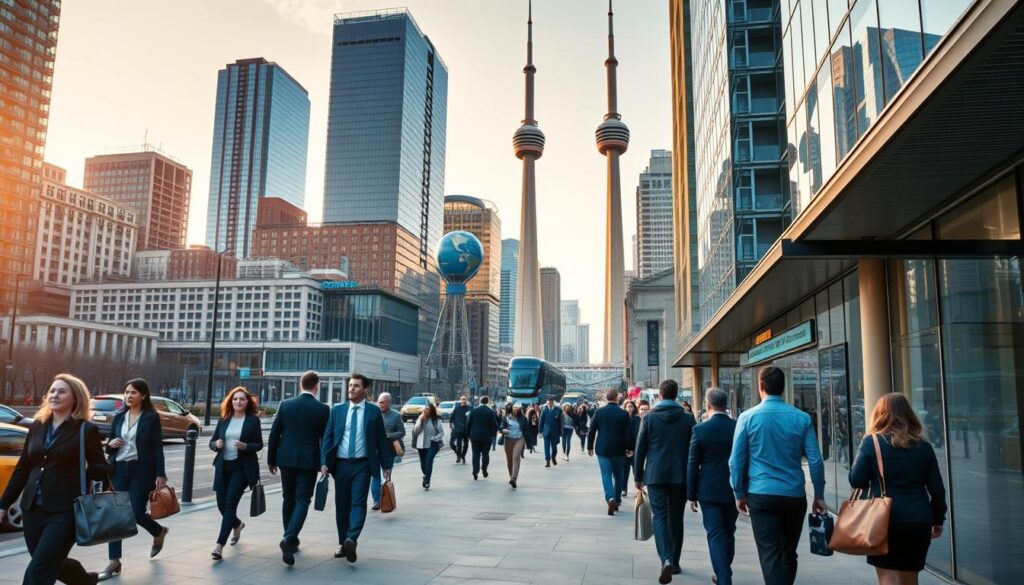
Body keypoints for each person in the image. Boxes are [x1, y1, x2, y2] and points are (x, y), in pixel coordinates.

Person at [0, 374, 108, 585]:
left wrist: (92, 468)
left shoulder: (86, 430)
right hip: (32, 510)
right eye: (52, 390)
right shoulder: (37, 426)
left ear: (75, 398)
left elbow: (102, 469)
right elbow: (23, 468)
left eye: (62, 391)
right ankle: (85, 581)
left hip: (64, 511)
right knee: (50, 561)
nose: (55, 395)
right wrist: (3, 504)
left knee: (39, 569)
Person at [729, 366, 826, 585]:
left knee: (769, 553)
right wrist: (818, 494)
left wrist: (739, 492)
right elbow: (816, 460)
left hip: (761, 493)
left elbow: (736, 461)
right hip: (793, 495)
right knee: (789, 552)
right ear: (783, 388)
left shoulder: (747, 418)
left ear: (760, 386)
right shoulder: (802, 418)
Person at [849, 393, 947, 585]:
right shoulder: (924, 447)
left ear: (879, 415)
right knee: (911, 577)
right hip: (918, 520)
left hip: (883, 520)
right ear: (909, 415)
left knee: (888, 578)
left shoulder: (872, 443)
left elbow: (856, 480)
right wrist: (937, 519)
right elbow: (937, 490)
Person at [97, 378, 170, 580]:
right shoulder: (119, 416)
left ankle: (158, 531)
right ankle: (114, 561)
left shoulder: (151, 418)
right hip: (119, 469)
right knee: (116, 516)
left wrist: (161, 474)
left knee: (137, 513)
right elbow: (109, 447)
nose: (129, 396)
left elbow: (157, 447)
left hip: (142, 471)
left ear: (143, 395)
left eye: (134, 393)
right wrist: (111, 444)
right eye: (127, 392)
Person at [320, 374, 394, 563]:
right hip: (341, 465)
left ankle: (351, 538)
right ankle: (342, 544)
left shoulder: (373, 412)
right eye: (350, 385)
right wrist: (324, 462)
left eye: (356, 386)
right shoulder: (337, 411)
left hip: (363, 464)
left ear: (365, 389)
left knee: (358, 503)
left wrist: (387, 465)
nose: (351, 389)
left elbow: (381, 440)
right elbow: (328, 438)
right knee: (342, 505)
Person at [634, 380, 696, 584]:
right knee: (676, 519)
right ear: (676, 395)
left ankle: (666, 558)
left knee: (659, 516)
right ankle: (676, 563)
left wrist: (637, 476)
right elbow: (694, 450)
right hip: (680, 476)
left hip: (655, 475)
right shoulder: (687, 419)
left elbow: (640, 448)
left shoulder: (649, 417)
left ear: (660, 395)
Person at [267, 371, 329, 566]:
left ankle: (291, 540)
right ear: (316, 387)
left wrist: (271, 459)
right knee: (303, 499)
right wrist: (324, 462)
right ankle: (289, 537)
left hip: (286, 458)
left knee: (288, 498)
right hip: (309, 460)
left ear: (301, 385)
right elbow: (325, 439)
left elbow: (274, 434)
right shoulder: (322, 409)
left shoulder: (285, 405)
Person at [687, 388, 738, 585]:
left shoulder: (700, 430)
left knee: (715, 534)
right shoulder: (738, 426)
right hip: (733, 489)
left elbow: (693, 464)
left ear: (708, 406)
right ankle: (724, 571)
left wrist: (691, 494)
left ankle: (724, 577)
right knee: (729, 531)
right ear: (726, 406)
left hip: (708, 490)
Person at [209, 387, 264, 560]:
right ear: (230, 402)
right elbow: (213, 441)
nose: (238, 402)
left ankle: (219, 545)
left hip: (242, 468)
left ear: (247, 402)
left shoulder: (253, 421)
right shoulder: (224, 419)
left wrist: (246, 446)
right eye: (235, 399)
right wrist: (215, 444)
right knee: (221, 506)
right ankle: (237, 524)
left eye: (241, 399)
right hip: (223, 467)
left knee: (230, 503)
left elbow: (259, 444)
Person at [587, 389, 631, 515]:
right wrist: (630, 448)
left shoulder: (599, 412)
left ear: (607, 398)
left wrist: (589, 446)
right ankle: (617, 499)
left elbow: (592, 430)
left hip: (603, 448)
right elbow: (628, 433)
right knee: (618, 475)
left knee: (606, 474)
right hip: (619, 449)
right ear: (617, 398)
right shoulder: (623, 413)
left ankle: (610, 498)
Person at [371, 392, 405, 509]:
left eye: (382, 403)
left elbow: (402, 432)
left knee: (387, 475)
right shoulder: (374, 414)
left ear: (389, 403)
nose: (379, 405)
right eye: (378, 402)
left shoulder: (396, 416)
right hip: (375, 450)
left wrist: (388, 435)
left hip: (389, 451)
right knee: (375, 476)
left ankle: (387, 498)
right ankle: (376, 501)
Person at [411, 402, 444, 490]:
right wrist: (420, 422)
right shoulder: (420, 418)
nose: (425, 410)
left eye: (427, 409)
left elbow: (441, 433)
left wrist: (434, 438)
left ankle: (427, 481)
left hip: (432, 444)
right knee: (423, 464)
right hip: (421, 444)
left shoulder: (436, 420)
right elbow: (415, 432)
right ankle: (426, 475)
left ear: (431, 411)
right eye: (424, 409)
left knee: (429, 461)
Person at [466, 396, 499, 480]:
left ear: (480, 401)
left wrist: (469, 435)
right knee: (485, 454)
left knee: (475, 454)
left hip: (475, 436)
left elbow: (469, 424)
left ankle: (475, 472)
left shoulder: (473, 411)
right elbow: (495, 425)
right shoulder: (491, 412)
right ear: (488, 402)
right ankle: (484, 468)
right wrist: (493, 435)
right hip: (486, 437)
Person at [500, 403, 528, 489]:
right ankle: (511, 477)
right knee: (509, 460)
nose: (516, 410)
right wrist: (503, 430)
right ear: (510, 409)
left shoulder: (523, 418)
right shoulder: (505, 418)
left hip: (519, 439)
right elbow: (501, 428)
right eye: (514, 408)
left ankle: (514, 478)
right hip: (508, 440)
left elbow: (526, 430)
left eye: (517, 408)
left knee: (516, 457)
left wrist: (529, 442)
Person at [622, 399, 641, 498]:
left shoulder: (637, 419)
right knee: (624, 471)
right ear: (624, 408)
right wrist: (625, 449)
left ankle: (638, 490)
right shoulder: (621, 419)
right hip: (624, 449)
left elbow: (639, 435)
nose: (629, 408)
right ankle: (624, 489)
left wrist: (634, 450)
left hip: (635, 449)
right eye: (627, 406)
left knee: (636, 471)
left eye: (631, 406)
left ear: (634, 408)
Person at [538, 396, 563, 467]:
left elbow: (561, 422)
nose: (549, 402)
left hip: (555, 432)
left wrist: (561, 432)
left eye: (551, 401)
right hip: (546, 432)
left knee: (554, 447)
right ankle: (547, 461)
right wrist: (540, 431)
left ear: (553, 402)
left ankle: (553, 457)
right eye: (548, 401)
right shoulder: (544, 410)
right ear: (547, 402)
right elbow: (541, 421)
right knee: (546, 447)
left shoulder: (558, 410)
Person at [449, 395, 471, 464]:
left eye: (465, 399)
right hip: (458, 429)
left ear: (467, 400)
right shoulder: (457, 409)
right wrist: (452, 425)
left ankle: (463, 456)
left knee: (466, 444)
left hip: (467, 430)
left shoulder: (470, 408)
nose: (464, 401)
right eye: (462, 399)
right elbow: (452, 418)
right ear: (460, 400)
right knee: (458, 444)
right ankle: (458, 456)